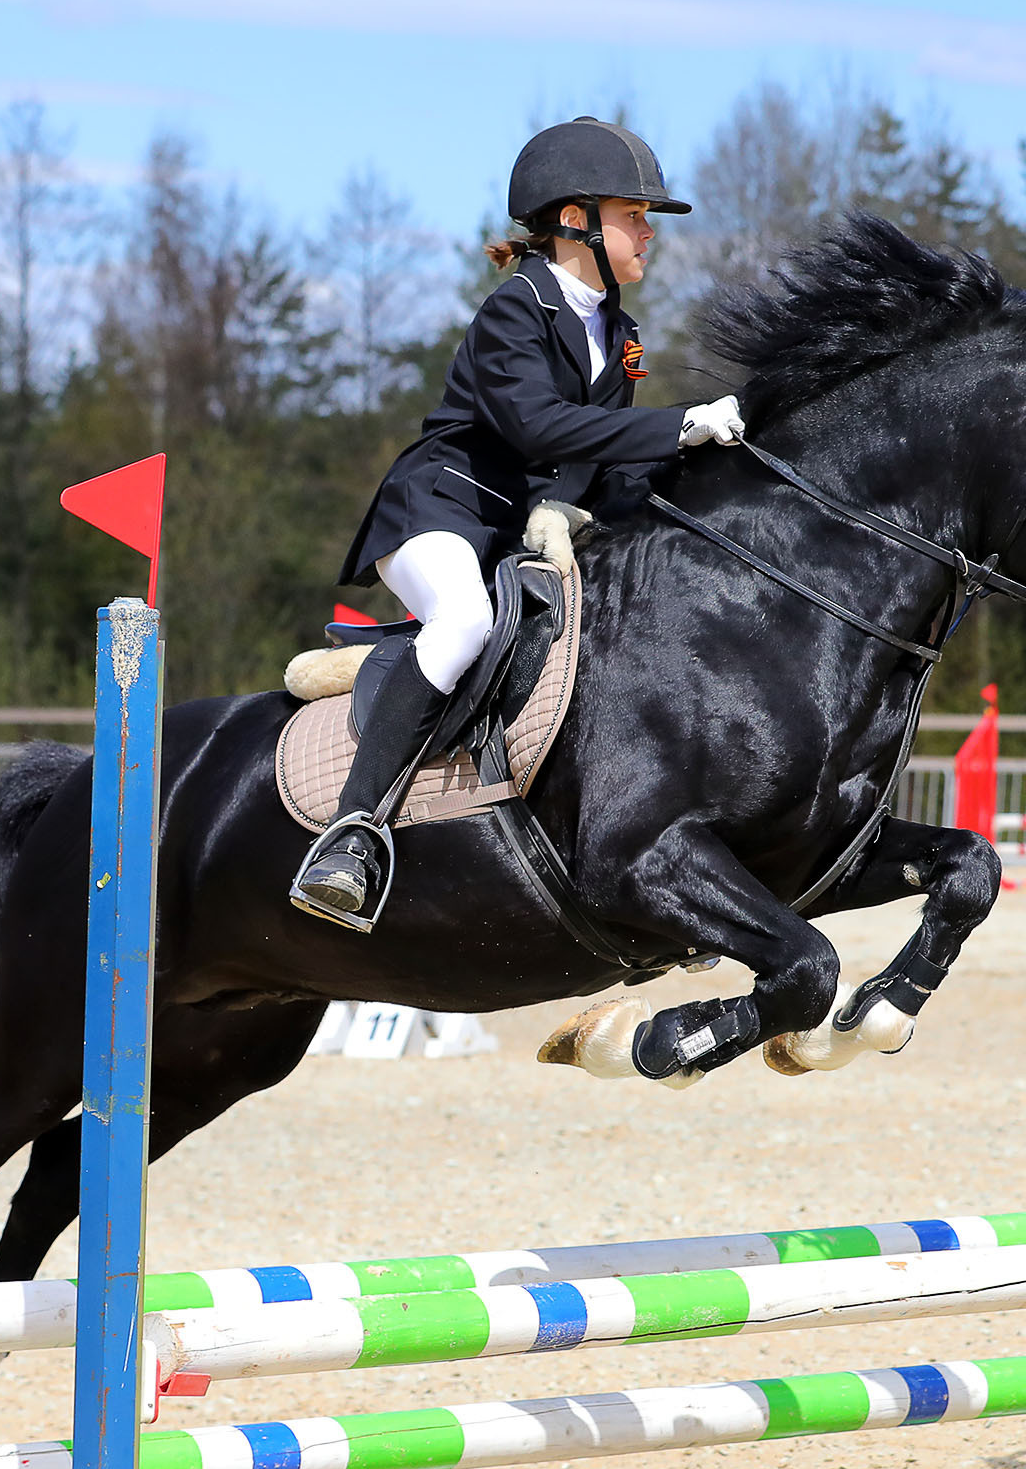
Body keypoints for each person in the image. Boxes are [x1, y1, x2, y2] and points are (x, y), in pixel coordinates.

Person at [292, 117, 748, 929]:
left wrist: (717, 473)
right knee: (464, 616)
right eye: (633, 214)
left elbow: (609, 468)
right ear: (576, 220)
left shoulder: (620, 332)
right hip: (441, 511)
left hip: (517, 533)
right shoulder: (516, 311)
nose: (650, 232)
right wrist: (679, 423)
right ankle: (349, 834)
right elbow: (539, 428)